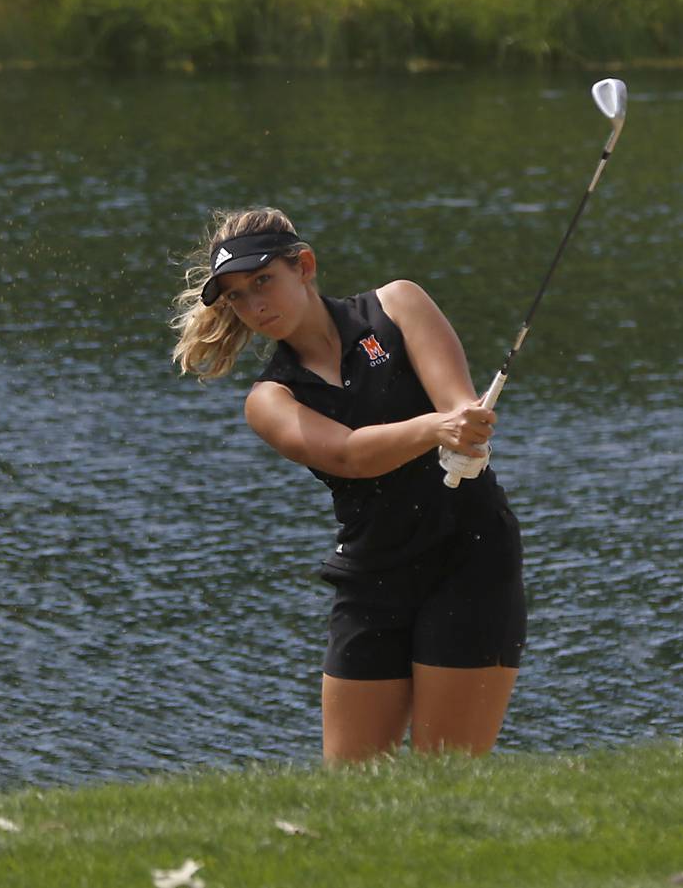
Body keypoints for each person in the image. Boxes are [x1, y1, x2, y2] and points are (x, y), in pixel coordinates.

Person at [171, 206, 526, 764]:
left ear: (304, 266)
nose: (254, 304)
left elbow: (457, 403)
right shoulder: (270, 400)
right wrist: (439, 429)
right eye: (237, 295)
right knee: (353, 795)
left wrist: (466, 428)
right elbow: (348, 454)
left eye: (263, 280)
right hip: (372, 579)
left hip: (469, 558)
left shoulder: (398, 306)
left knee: (447, 777)